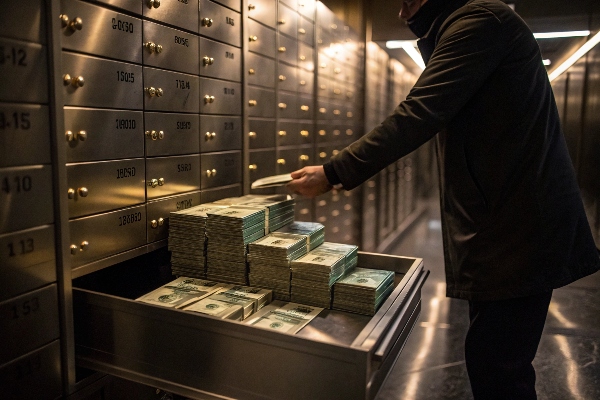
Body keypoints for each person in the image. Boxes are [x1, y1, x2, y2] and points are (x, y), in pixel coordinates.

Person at [287, 0, 600, 398]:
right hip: (506, 225)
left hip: (519, 229)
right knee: (494, 359)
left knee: (499, 367)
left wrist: (334, 172)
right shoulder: (471, 24)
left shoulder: (482, 21)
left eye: (409, 2)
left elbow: (418, 113)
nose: (402, 15)